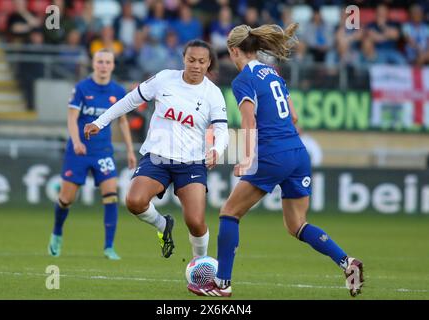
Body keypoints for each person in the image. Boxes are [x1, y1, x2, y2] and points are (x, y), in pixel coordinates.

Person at [187, 24, 364, 298]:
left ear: (234, 51)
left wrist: (246, 159)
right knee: (297, 225)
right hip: (297, 151)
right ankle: (347, 262)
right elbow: (293, 116)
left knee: (229, 213)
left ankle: (222, 284)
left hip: (273, 153)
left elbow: (248, 121)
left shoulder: (243, 80)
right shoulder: (273, 73)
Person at [84, 40, 229, 259]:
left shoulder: (213, 94)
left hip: (191, 162)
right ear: (183, 59)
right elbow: (130, 100)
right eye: (191, 60)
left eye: (201, 61)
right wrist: (100, 122)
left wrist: (217, 149)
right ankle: (163, 225)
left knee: (196, 222)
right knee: (134, 201)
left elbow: (222, 129)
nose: (196, 66)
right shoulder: (165, 79)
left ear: (208, 63)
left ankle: (200, 264)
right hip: (158, 157)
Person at [48, 49, 137, 260]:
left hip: (103, 151)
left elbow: (123, 122)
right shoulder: (81, 88)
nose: (104, 65)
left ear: (113, 65)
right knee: (66, 199)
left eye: (108, 62)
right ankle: (57, 233)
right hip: (78, 151)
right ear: (94, 64)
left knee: (111, 195)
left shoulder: (117, 90)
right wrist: (77, 141)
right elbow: (71, 119)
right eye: (100, 62)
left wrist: (131, 150)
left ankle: (109, 247)